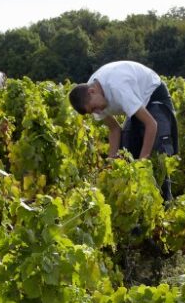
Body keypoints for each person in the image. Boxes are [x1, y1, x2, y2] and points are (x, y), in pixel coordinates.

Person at [68, 60, 178, 200]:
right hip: (136, 103)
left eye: (94, 108)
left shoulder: (118, 88)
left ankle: (165, 201)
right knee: (127, 152)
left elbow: (152, 124)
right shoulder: (92, 98)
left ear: (92, 91)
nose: (96, 112)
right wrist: (111, 161)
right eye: (92, 111)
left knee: (157, 151)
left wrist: (142, 163)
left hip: (153, 94)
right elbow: (114, 130)